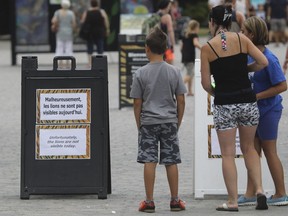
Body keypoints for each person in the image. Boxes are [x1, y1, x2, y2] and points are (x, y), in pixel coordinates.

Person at [201, 5, 269, 211]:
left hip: (225, 104)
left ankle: (232, 201)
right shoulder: (242, 39)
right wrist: (245, 69)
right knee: (250, 149)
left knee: (228, 154)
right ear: (230, 21)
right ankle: (259, 191)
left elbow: (205, 83)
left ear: (212, 22)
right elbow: (263, 62)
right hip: (248, 101)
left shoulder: (208, 48)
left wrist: (218, 92)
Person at [130, 27, 186, 213]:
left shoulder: (140, 73)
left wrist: (140, 124)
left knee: (149, 161)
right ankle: (175, 200)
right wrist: (177, 121)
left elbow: (137, 103)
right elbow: (181, 99)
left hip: (148, 122)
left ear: (147, 49)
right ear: (165, 48)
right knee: (171, 161)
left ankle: (149, 201)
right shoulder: (174, 71)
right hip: (169, 121)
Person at [238, 16, 288, 207]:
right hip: (252, 112)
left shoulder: (270, 58)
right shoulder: (248, 55)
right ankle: (251, 192)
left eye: (243, 31)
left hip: (269, 110)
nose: (241, 34)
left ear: (251, 34)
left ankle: (281, 193)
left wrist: (257, 97)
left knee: (269, 151)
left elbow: (283, 85)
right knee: (253, 150)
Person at [81, 0, 110, 66]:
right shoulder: (101, 11)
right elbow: (106, 21)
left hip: (90, 33)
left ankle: (90, 63)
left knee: (90, 48)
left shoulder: (87, 12)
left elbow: (82, 21)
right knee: (100, 47)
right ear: (97, 4)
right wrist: (107, 30)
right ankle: (100, 63)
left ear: (91, 4)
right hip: (99, 32)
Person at [51, 0, 76, 68]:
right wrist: (73, 30)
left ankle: (60, 63)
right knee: (68, 48)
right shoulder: (71, 13)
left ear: (62, 5)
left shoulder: (58, 12)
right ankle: (68, 63)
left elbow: (53, 20)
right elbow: (73, 24)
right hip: (69, 32)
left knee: (59, 48)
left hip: (60, 32)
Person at [181, 20, 201, 96]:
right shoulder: (194, 35)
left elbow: (181, 47)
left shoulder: (185, 35)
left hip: (185, 56)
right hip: (190, 57)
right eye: (198, 27)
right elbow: (195, 43)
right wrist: (202, 48)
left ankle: (189, 91)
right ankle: (178, 87)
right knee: (191, 74)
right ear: (195, 27)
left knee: (189, 73)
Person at [157, 0, 176, 64]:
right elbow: (170, 31)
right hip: (166, 44)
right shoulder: (167, 17)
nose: (170, 8)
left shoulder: (155, 15)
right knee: (170, 65)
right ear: (166, 6)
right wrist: (173, 45)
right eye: (169, 6)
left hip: (156, 44)